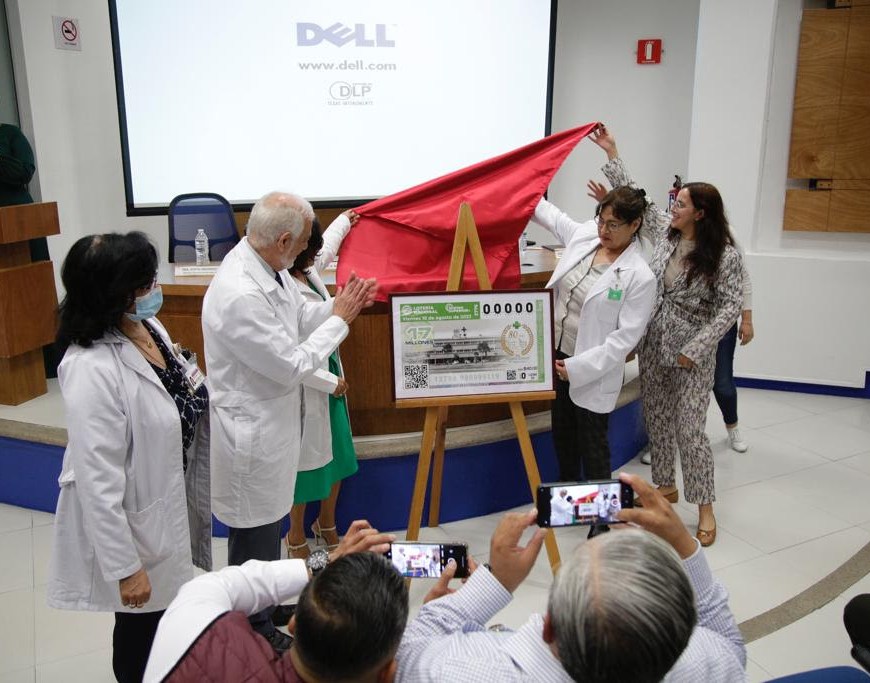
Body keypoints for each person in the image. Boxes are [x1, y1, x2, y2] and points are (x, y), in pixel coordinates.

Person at [201, 191, 377, 653]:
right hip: (251, 437)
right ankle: (250, 630)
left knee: (269, 529)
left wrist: (335, 307)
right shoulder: (240, 292)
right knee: (253, 540)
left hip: (273, 432)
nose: (303, 254)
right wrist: (340, 320)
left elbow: (298, 316)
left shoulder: (268, 268)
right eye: (300, 245)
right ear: (283, 241)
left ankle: (266, 607)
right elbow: (290, 365)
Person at [47, 232, 212, 683]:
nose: (153, 290)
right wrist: (125, 568)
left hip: (168, 498)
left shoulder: (146, 326)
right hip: (137, 527)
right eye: (144, 284)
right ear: (112, 294)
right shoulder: (89, 368)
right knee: (140, 635)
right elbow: (97, 481)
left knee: (169, 624)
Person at [395, 473, 747, 682]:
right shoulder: (702, 665)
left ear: (549, 626)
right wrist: (683, 542)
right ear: (678, 637)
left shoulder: (459, 670)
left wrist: (496, 581)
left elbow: (406, 653)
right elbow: (730, 647)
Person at [587, 127, 743, 546]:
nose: (673, 207)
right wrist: (612, 152)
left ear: (701, 213)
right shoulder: (666, 233)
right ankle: (664, 489)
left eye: (682, 204)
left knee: (690, 431)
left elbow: (729, 307)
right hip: (654, 344)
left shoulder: (724, 256)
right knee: (657, 422)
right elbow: (637, 198)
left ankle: (705, 507)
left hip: (692, 353)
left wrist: (697, 348)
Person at [531, 158, 656, 539]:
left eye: (613, 225)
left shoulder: (639, 276)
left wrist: (579, 367)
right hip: (558, 356)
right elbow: (552, 217)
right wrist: (523, 185)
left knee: (593, 443)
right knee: (563, 434)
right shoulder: (587, 237)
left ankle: (602, 521)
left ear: (635, 225)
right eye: (601, 220)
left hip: (592, 368)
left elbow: (624, 340)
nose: (604, 230)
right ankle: (569, 505)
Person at [143, 520, 404, 682]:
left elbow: (228, 583)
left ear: (294, 624)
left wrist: (324, 561)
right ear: (387, 674)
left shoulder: (190, 626)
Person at [285, 211, 360, 559]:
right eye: (310, 252)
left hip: (330, 370)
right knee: (303, 469)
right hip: (308, 382)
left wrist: (345, 220)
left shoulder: (307, 267)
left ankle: (326, 523)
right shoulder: (280, 288)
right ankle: (295, 534)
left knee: (339, 457)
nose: (316, 258)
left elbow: (326, 247)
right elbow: (288, 357)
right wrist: (329, 382)